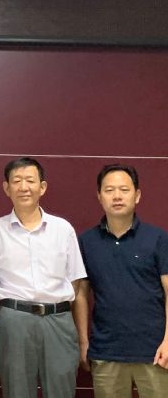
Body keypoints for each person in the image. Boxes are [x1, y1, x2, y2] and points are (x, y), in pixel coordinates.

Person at [0, 157, 86, 398]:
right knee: (16, 391)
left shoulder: (63, 229)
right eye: (16, 181)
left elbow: (76, 282)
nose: (24, 187)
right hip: (14, 320)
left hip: (58, 320)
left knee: (61, 390)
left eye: (30, 180)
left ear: (42, 187)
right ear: (6, 188)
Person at [75, 164, 168, 397]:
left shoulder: (158, 238)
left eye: (124, 189)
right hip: (106, 352)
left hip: (155, 352)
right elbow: (80, 294)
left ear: (137, 195)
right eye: (109, 190)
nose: (117, 196)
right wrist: (83, 342)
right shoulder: (86, 241)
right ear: (99, 196)